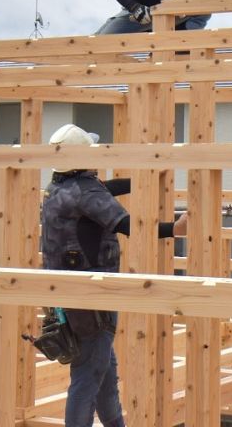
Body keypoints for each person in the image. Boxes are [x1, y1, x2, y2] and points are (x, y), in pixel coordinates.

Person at [40, 123, 188, 427]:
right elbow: (128, 225)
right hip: (93, 298)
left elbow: (103, 189)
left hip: (65, 296)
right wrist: (174, 228)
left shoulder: (58, 189)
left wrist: (143, 179)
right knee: (86, 378)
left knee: (103, 370)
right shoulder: (86, 193)